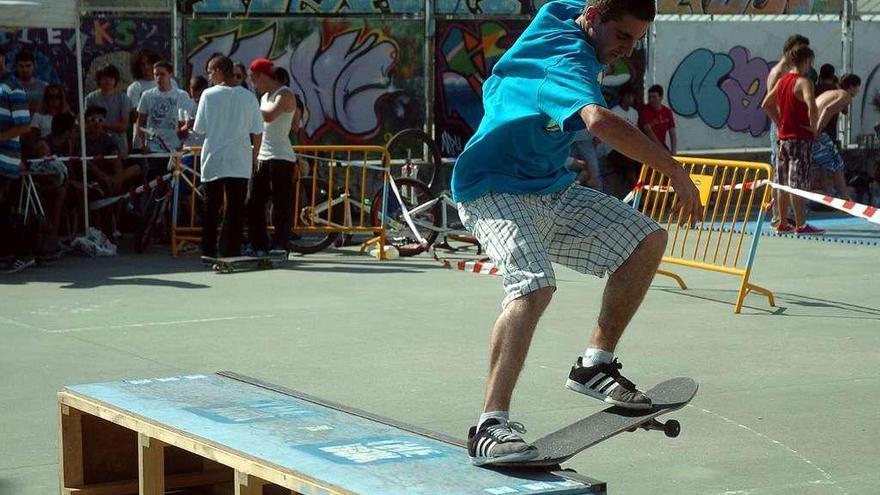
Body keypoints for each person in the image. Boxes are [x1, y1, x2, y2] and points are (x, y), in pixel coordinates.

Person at [451, 0, 702, 466]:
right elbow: (600, 123)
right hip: (492, 190)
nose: (627, 51)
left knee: (645, 239)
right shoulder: (567, 60)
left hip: (551, 190)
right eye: (623, 37)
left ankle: (595, 364)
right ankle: (489, 424)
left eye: (636, 40)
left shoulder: (565, 12)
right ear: (594, 21)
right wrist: (674, 171)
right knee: (533, 287)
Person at [193, 55, 263, 258]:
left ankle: (208, 250)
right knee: (235, 208)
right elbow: (258, 131)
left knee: (211, 207)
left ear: (218, 71)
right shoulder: (249, 97)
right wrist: (255, 157)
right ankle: (230, 249)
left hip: (214, 158)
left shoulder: (208, 95)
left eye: (209, 71)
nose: (208, 76)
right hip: (239, 159)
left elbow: (200, 128)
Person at [761, 44, 824, 235]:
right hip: (800, 138)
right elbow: (812, 105)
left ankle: (781, 222)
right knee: (798, 183)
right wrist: (814, 127)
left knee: (782, 183)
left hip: (784, 139)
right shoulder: (804, 82)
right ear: (805, 61)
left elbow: (766, 104)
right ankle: (801, 224)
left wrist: (780, 123)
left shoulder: (782, 82)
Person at [247, 59, 298, 256]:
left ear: (263, 76)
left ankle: (280, 245)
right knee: (254, 203)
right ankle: (258, 244)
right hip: (263, 157)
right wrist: (255, 155)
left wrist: (247, 105)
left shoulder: (285, 94)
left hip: (281, 157)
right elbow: (260, 130)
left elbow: (269, 116)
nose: (253, 84)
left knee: (280, 206)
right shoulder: (263, 97)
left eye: (254, 79)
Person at [766, 34, 810, 227]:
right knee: (781, 174)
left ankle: (784, 216)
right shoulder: (779, 72)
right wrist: (780, 124)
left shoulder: (790, 72)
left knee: (785, 174)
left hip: (787, 127)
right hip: (782, 128)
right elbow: (771, 103)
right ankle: (778, 217)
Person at [134, 61, 193, 178]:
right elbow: (140, 121)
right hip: (154, 148)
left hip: (175, 148)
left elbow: (187, 122)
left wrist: (182, 145)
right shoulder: (147, 95)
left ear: (170, 75)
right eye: (156, 75)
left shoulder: (181, 95)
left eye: (162, 74)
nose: (159, 78)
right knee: (154, 182)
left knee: (174, 184)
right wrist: (142, 143)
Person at [1, 77, 35, 272]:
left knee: (5, 210)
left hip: (5, 160)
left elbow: (24, 126)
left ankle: (20, 254)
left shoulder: (13, 88)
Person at [812, 74, 861, 201]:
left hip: (810, 129)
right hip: (813, 131)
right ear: (852, 87)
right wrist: (816, 131)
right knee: (835, 164)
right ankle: (845, 199)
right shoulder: (845, 95)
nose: (858, 91)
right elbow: (828, 110)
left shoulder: (832, 92)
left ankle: (840, 196)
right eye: (857, 87)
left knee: (833, 163)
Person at [85, 64, 131, 156]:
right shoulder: (91, 98)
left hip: (119, 145)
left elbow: (124, 126)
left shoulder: (123, 98)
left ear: (115, 80)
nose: (107, 81)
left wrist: (103, 125)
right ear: (99, 80)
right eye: (104, 78)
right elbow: (87, 124)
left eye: (110, 77)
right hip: (97, 146)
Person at [639, 84, 676, 154]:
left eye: (654, 97)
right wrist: (663, 150)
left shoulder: (667, 112)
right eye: (649, 97)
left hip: (661, 147)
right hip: (648, 147)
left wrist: (673, 151)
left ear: (661, 97)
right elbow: (649, 132)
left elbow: (672, 133)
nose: (651, 100)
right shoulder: (644, 111)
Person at [179, 75, 209, 148]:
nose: (197, 92)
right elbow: (180, 134)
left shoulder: (211, 106)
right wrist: (187, 126)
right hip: (189, 148)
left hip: (206, 147)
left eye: (198, 89)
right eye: (194, 89)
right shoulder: (185, 105)